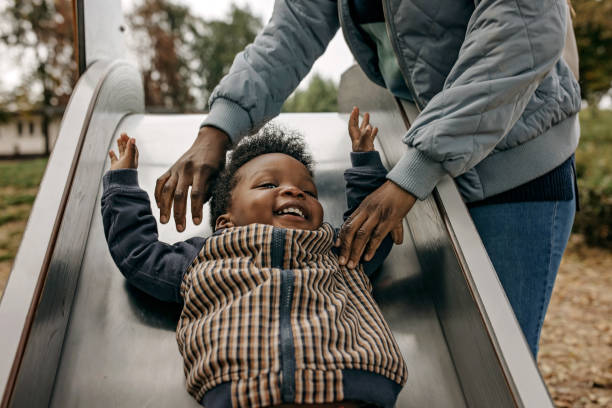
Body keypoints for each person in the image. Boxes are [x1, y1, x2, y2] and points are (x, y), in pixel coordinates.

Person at [155, 0, 581, 357]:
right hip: (422, 156)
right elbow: (292, 31)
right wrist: (218, 128)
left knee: (495, 363)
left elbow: (524, 28)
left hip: (512, 168)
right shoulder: (211, 263)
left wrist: (412, 169)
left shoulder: (324, 250)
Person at [102, 109, 408, 408]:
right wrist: (122, 186)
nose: (294, 191)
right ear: (226, 221)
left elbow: (370, 230)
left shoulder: (335, 250)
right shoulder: (204, 257)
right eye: (268, 184)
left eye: (308, 191)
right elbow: (139, 254)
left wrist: (366, 164)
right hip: (243, 382)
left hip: (351, 377)